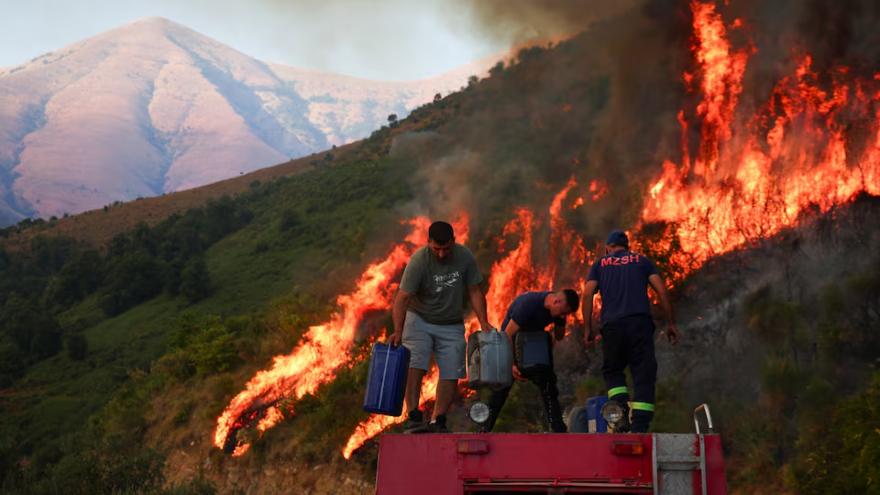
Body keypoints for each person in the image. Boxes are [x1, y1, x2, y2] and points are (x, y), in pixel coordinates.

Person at [389, 221, 494, 433]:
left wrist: (484, 322)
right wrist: (398, 330)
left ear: (453, 242)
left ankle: (439, 419)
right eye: (436, 249)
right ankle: (413, 415)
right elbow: (402, 298)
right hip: (419, 319)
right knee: (416, 363)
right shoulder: (419, 261)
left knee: (451, 371)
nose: (441, 254)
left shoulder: (464, 257)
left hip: (451, 322)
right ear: (428, 243)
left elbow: (474, 290)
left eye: (446, 249)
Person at [582, 230, 679, 433]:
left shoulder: (600, 264)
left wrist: (588, 329)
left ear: (607, 248)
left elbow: (588, 293)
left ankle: (620, 414)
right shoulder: (642, 261)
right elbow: (661, 290)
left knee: (613, 370)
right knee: (643, 373)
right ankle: (640, 426)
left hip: (612, 326)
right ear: (628, 247)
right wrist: (671, 323)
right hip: (640, 325)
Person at [483, 289, 580, 433]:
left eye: (565, 314)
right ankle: (485, 428)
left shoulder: (557, 310)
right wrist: (511, 364)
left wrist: (560, 320)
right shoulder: (528, 304)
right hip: (510, 343)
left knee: (548, 385)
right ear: (556, 301)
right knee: (501, 389)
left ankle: (558, 428)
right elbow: (506, 335)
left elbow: (559, 337)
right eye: (562, 312)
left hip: (533, 344)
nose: (562, 315)